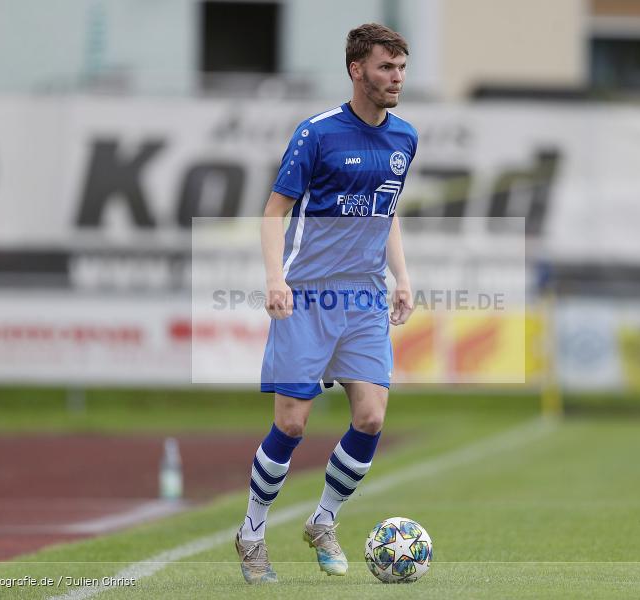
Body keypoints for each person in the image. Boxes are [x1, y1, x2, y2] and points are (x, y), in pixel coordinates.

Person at [234, 23, 418, 584]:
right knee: (291, 425)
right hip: (309, 296)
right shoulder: (317, 133)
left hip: (364, 297)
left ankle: (323, 520)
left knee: (371, 415)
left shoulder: (404, 138)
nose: (397, 79)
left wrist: (402, 277)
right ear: (357, 69)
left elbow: (384, 214)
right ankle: (252, 533)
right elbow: (274, 212)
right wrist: (274, 279)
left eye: (402, 68)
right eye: (386, 67)